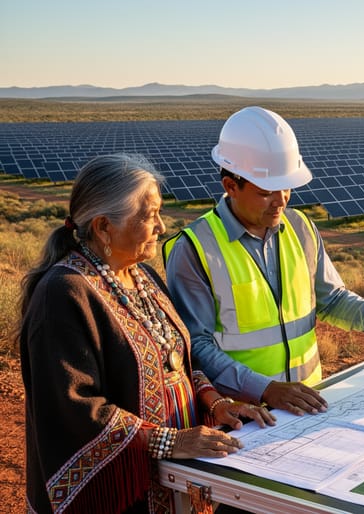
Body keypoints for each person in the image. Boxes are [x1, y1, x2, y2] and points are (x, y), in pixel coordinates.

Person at [19, 154, 275, 514]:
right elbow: (73, 405)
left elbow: (175, 362)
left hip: (170, 479)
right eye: (148, 215)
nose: (161, 227)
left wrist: (216, 403)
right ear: (104, 227)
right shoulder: (64, 293)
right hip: (122, 493)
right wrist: (168, 441)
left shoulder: (143, 277)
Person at [164, 106, 364, 416]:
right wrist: (266, 390)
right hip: (241, 417)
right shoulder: (194, 248)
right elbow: (197, 347)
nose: (281, 200)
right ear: (231, 186)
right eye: (265, 192)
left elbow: (332, 300)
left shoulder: (300, 227)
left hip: (310, 404)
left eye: (286, 187)